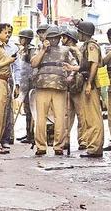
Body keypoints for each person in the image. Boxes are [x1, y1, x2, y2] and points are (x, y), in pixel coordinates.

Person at [31, 26, 77, 156]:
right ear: (46, 38)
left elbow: (73, 66)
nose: (54, 40)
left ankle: (58, 146)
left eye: (56, 37)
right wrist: (43, 50)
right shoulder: (39, 49)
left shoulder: (65, 50)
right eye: (51, 38)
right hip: (42, 86)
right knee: (41, 118)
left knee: (60, 118)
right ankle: (41, 146)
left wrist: (70, 77)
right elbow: (34, 63)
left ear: (59, 38)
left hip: (60, 86)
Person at [64, 21, 105, 158]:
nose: (78, 35)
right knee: (88, 117)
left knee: (93, 117)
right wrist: (72, 68)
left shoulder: (92, 46)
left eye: (80, 32)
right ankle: (92, 146)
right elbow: (85, 66)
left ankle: (95, 148)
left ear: (84, 33)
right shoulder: (86, 46)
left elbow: (93, 65)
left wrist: (89, 84)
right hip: (87, 82)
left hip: (90, 84)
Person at [61, 28, 86, 150]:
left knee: (77, 114)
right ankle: (78, 140)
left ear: (70, 38)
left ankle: (79, 140)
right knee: (70, 114)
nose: (62, 40)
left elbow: (80, 67)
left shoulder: (74, 50)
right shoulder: (74, 50)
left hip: (76, 85)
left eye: (64, 37)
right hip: (70, 86)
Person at [13, 29, 37, 144]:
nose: (20, 40)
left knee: (31, 111)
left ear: (26, 39)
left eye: (21, 38)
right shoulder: (24, 50)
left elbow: (32, 67)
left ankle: (31, 135)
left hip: (31, 84)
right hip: (25, 82)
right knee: (27, 110)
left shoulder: (32, 50)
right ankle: (28, 133)